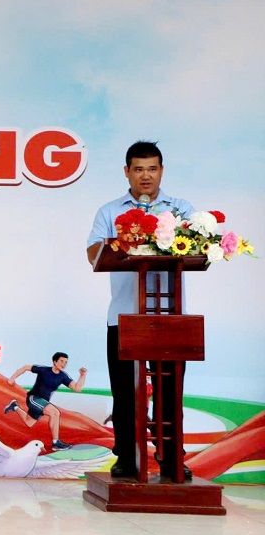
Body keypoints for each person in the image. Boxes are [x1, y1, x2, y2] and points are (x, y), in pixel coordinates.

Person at [86, 140, 195, 479]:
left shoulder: (180, 209)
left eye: (152, 169)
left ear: (161, 171)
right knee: (125, 392)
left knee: (169, 392)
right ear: (127, 172)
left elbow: (196, 246)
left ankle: (171, 456)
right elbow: (93, 252)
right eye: (138, 169)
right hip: (124, 316)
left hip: (168, 316)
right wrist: (125, 241)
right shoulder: (109, 212)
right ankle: (127, 457)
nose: (145, 176)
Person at [3, 352, 87, 450]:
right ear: (54, 361)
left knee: (29, 422)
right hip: (34, 398)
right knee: (55, 413)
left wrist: (82, 375)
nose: (64, 364)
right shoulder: (44, 370)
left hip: (43, 403)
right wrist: (12, 379)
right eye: (61, 361)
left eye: (66, 362)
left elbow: (77, 388)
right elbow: (26, 367)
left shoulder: (63, 376)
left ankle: (15, 406)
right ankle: (56, 443)